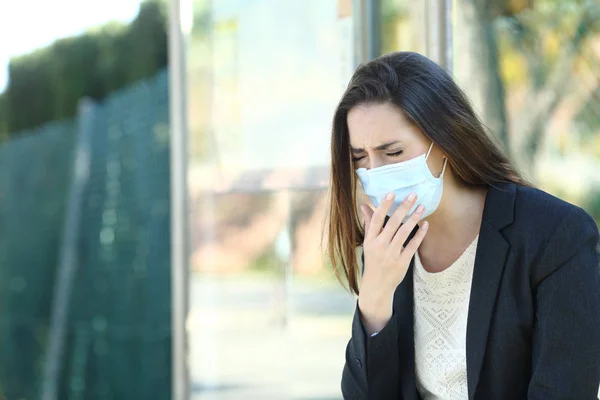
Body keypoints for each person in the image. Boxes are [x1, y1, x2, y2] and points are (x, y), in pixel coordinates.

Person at [327, 52, 600, 400]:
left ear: (443, 140)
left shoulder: (558, 235)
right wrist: (374, 301)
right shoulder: (387, 247)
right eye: (360, 158)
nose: (376, 172)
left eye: (392, 153)